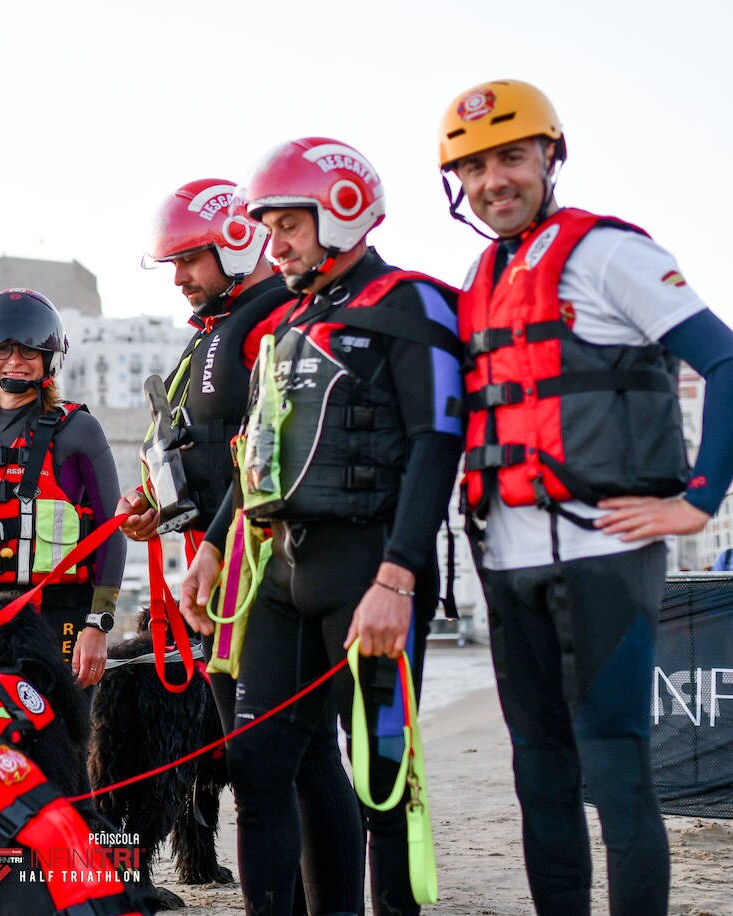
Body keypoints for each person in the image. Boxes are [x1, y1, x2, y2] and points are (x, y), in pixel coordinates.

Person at [438, 79, 733, 915]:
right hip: (507, 559)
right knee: (539, 774)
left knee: (615, 770)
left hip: (605, 554)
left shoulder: (610, 253)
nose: (495, 179)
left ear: (549, 156)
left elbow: (724, 360)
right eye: (474, 166)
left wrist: (700, 500)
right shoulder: (482, 270)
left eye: (512, 156)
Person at [180, 137, 465, 915]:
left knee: (381, 776)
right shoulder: (286, 324)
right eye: (267, 227)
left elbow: (439, 444)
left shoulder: (410, 303)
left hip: (370, 569)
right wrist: (212, 547)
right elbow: (260, 461)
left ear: (343, 212)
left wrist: (398, 578)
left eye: (288, 226)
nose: (274, 245)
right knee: (257, 762)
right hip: (281, 573)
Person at [119, 177, 294, 732]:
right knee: (248, 755)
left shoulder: (276, 318)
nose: (178, 278)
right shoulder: (212, 331)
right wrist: (151, 504)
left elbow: (274, 451)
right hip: (217, 576)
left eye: (190, 259)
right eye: (172, 263)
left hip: (267, 571)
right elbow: (195, 441)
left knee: (285, 758)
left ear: (239, 240)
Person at [0, 289, 124, 688]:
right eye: (3, 349)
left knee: (61, 742)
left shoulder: (79, 431)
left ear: (47, 358)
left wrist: (98, 624)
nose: (16, 361)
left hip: (59, 616)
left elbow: (111, 529)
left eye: (28, 350)